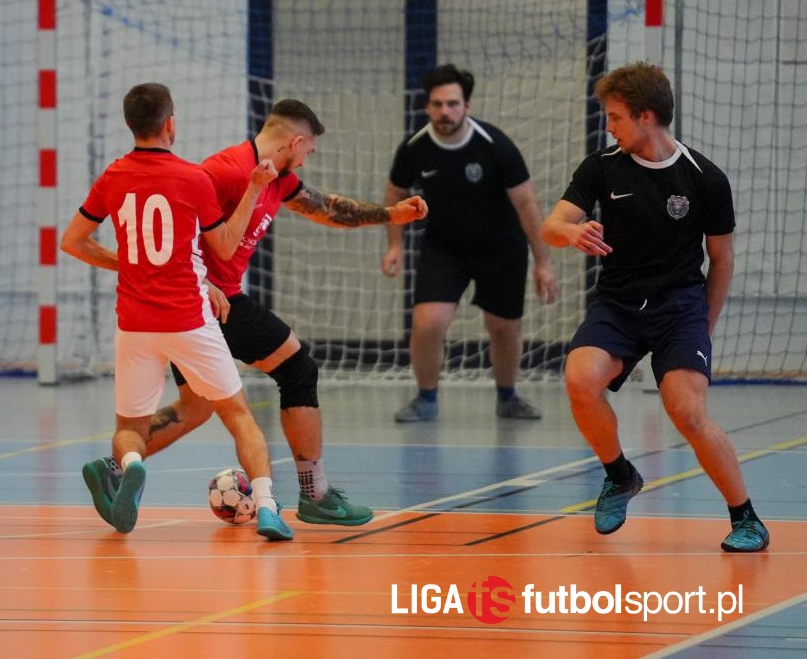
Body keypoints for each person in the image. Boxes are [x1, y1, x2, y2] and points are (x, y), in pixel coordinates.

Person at [81, 99, 428, 528]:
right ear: (295, 142)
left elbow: (326, 208)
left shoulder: (278, 179)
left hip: (201, 305)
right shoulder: (223, 171)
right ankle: (315, 493)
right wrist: (199, 283)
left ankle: (117, 467)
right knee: (298, 369)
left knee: (194, 408)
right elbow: (173, 223)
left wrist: (390, 214)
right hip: (209, 303)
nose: (306, 160)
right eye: (308, 151)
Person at [540, 61, 768, 552]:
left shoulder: (705, 178)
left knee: (687, 412)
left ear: (646, 116)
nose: (609, 126)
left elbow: (722, 258)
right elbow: (550, 225)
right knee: (580, 380)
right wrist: (569, 232)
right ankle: (619, 475)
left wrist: (704, 323)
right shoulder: (601, 166)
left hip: (679, 307)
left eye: (616, 117)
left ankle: (746, 518)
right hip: (618, 303)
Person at [61, 83, 293, 541]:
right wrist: (254, 188)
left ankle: (130, 464)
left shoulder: (112, 177)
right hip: (188, 319)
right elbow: (224, 246)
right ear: (170, 123)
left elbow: (72, 242)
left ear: (130, 124)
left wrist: (127, 262)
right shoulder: (192, 177)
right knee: (239, 416)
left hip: (134, 324)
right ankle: (267, 507)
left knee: (129, 427)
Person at [382, 64, 558, 423]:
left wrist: (543, 262)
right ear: (427, 107)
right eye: (437, 104)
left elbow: (526, 204)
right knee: (427, 323)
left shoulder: (495, 146)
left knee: (503, 327)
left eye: (452, 104)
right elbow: (395, 193)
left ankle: (508, 397)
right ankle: (426, 399)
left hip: (502, 248)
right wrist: (395, 246)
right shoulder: (415, 148)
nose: (444, 112)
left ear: (467, 106)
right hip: (444, 247)